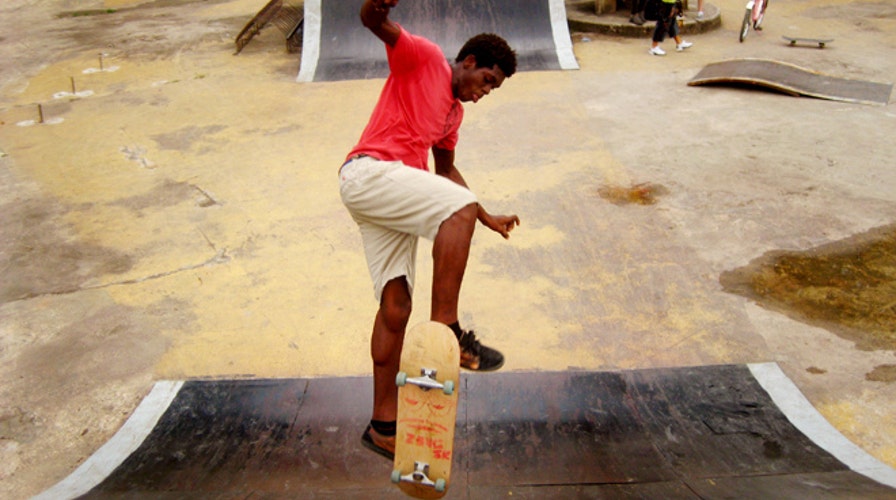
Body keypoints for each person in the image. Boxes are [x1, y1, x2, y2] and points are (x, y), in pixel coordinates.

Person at [339, 0, 520, 460]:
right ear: (470, 62)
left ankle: (381, 425)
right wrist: (373, 9)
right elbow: (377, 25)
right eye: (487, 82)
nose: (484, 93)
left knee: (396, 307)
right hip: (370, 173)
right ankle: (448, 331)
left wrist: (486, 214)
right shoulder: (423, 57)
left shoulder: (452, 118)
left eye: (492, 91)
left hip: (390, 197)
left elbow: (446, 175)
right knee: (454, 211)